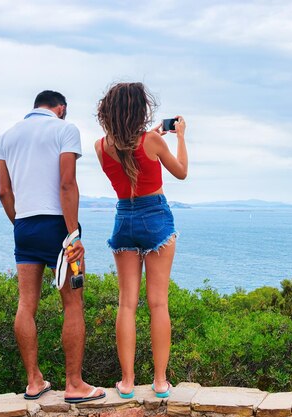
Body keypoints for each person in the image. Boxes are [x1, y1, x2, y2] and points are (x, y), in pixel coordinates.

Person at [0, 90, 106, 403]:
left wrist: (20, 224)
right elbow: (67, 183)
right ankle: (74, 385)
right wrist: (73, 235)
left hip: (25, 226)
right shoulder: (64, 129)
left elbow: (4, 193)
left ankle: (34, 382)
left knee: (26, 303)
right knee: (72, 304)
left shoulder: (7, 136)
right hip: (59, 227)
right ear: (61, 108)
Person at [94, 82, 188, 399]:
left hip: (125, 218)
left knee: (126, 304)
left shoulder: (101, 146)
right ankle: (160, 382)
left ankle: (127, 382)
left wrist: (155, 135)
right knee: (158, 302)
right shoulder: (153, 141)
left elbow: (127, 149)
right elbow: (181, 172)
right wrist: (181, 137)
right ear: (140, 110)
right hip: (156, 217)